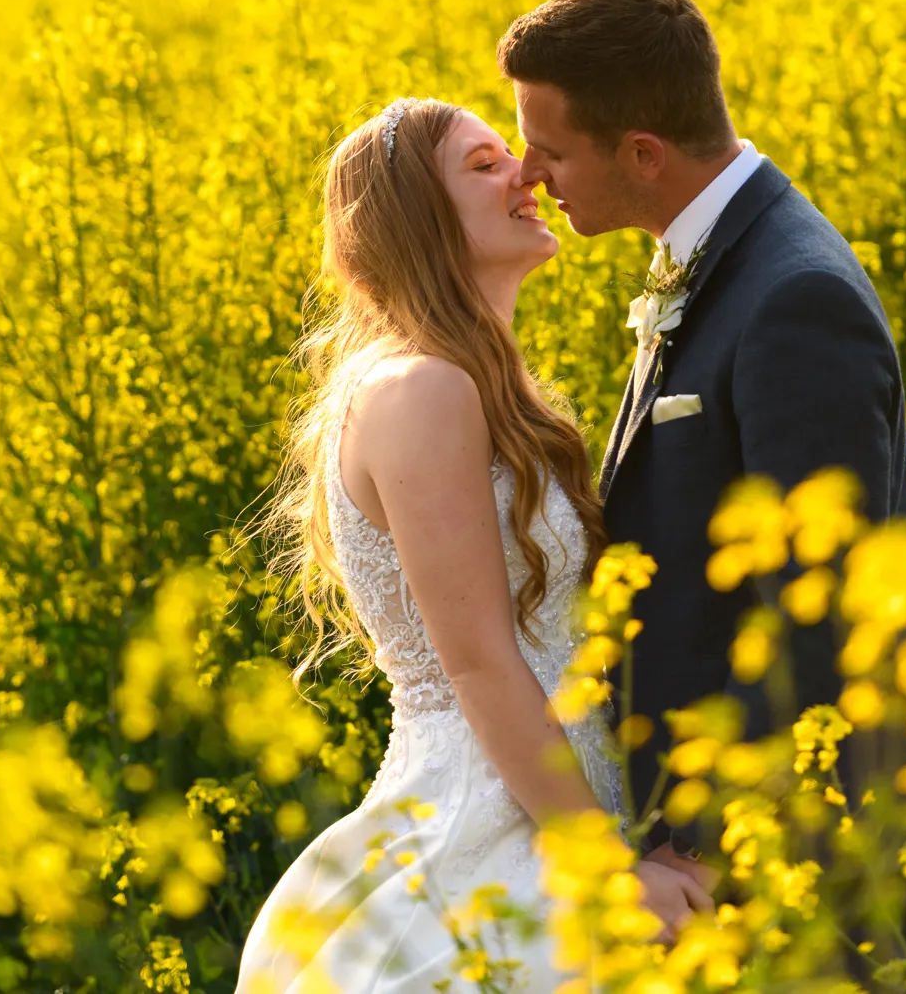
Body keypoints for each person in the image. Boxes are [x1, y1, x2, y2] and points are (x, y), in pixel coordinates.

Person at [236, 98, 709, 993]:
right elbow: (480, 662)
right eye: (485, 164)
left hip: (557, 798)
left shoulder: (479, 385)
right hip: (490, 828)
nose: (526, 173)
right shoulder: (421, 390)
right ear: (421, 219)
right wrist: (607, 874)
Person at [502, 0, 906, 886]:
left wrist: (697, 842)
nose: (528, 173)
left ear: (643, 154)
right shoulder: (719, 255)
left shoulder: (795, 298)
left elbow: (818, 607)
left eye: (551, 151)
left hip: (801, 854)